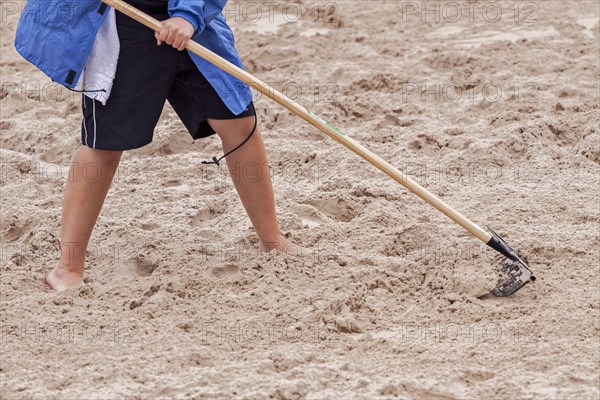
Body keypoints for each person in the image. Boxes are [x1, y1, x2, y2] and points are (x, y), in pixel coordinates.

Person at [14, 0, 305, 291]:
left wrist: (189, 17)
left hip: (193, 20)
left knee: (239, 123)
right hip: (124, 20)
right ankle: (67, 269)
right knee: (104, 144)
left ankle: (272, 241)